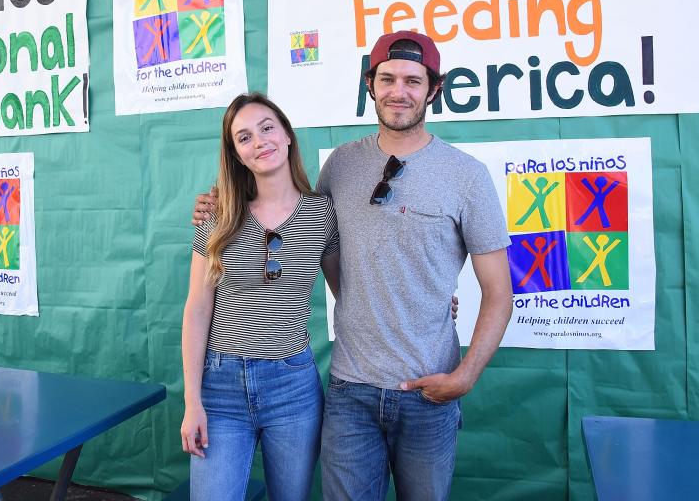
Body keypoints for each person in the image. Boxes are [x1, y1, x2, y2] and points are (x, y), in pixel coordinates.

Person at [193, 30, 512, 500]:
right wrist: (217, 203)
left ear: (434, 89)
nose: (398, 91)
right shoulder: (340, 166)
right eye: (387, 78)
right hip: (349, 391)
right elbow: (326, 254)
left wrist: (464, 375)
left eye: (412, 80)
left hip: (428, 393)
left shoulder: (467, 175)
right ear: (370, 84)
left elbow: (499, 293)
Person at [180, 92, 341, 501]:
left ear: (287, 135)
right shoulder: (217, 214)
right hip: (220, 388)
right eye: (244, 137)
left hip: (293, 388)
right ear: (236, 154)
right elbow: (197, 309)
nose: (260, 141)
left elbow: (351, 292)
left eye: (267, 128)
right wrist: (192, 400)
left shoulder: (323, 214)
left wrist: (431, 300)